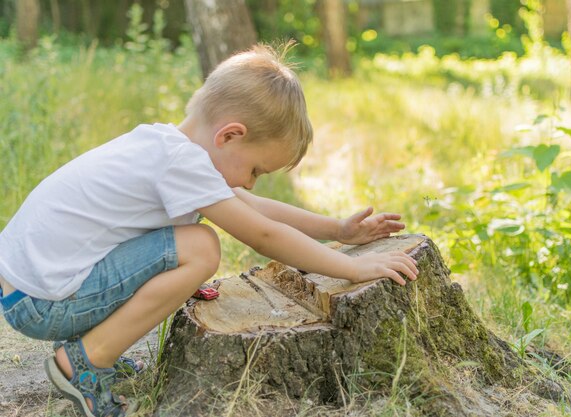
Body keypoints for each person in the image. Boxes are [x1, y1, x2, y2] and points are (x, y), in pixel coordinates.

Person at [0, 44, 418, 417]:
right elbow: (263, 234)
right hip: (45, 302)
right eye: (255, 169)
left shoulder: (166, 147)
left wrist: (338, 230)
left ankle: (97, 344)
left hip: (29, 289)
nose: (251, 183)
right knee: (201, 247)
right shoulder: (182, 165)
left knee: (190, 246)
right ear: (230, 135)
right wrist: (351, 270)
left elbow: (257, 209)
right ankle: (86, 361)